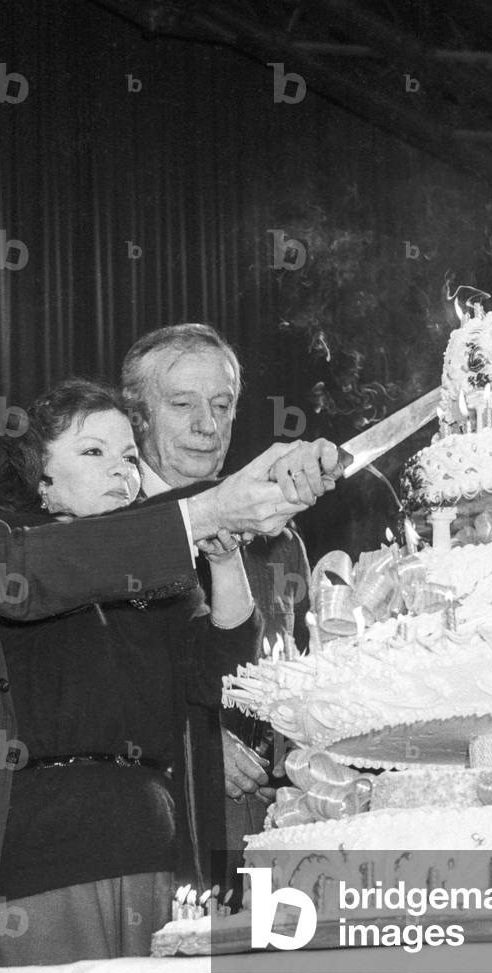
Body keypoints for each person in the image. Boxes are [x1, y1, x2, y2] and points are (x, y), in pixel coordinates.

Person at [0, 379, 341, 964]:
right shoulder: (17, 557)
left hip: (156, 849)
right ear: (39, 479)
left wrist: (224, 559)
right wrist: (209, 508)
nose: (121, 471)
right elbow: (52, 569)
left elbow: (218, 679)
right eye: (92, 452)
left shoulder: (154, 574)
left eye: (129, 456)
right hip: (47, 857)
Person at [121, 323, 312, 885]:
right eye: (182, 404)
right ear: (139, 417)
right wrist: (196, 743)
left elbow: (291, 663)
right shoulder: (106, 530)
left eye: (222, 404)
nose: (207, 425)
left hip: (284, 809)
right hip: (172, 813)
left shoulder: (277, 533)